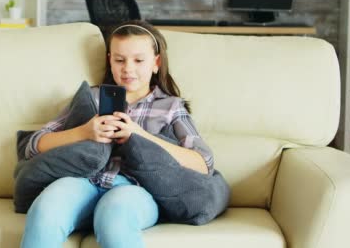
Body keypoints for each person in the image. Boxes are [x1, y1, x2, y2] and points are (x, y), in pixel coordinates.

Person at [20, 20, 214, 248]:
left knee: (114, 217)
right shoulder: (90, 98)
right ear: (109, 60)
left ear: (156, 63)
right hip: (82, 181)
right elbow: (32, 145)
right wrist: (84, 132)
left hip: (134, 190)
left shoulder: (171, 107)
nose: (128, 69)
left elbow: (204, 163)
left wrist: (139, 134)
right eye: (119, 60)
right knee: (46, 209)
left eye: (139, 60)